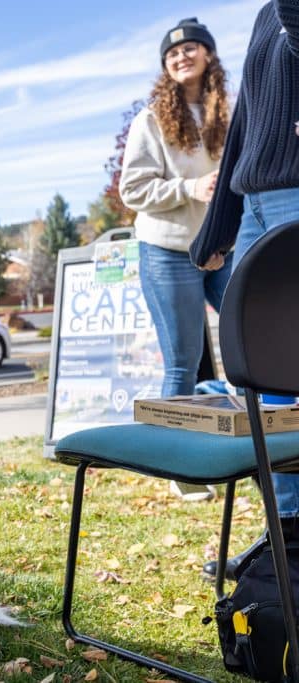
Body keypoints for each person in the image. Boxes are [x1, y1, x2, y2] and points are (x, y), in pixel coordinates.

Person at [191, 0, 299, 577]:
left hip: (295, 191)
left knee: (289, 380)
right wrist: (221, 224)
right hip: (258, 200)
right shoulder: (265, 16)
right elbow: (247, 127)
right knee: (270, 390)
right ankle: (283, 541)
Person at [119, 17, 232, 501]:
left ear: (208, 55)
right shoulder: (151, 120)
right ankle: (182, 470)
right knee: (183, 363)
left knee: (261, 342)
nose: (181, 56)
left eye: (190, 48)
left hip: (222, 247)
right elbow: (132, 189)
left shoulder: (228, 113)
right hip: (168, 251)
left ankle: (260, 448)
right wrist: (190, 187)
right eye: (172, 53)